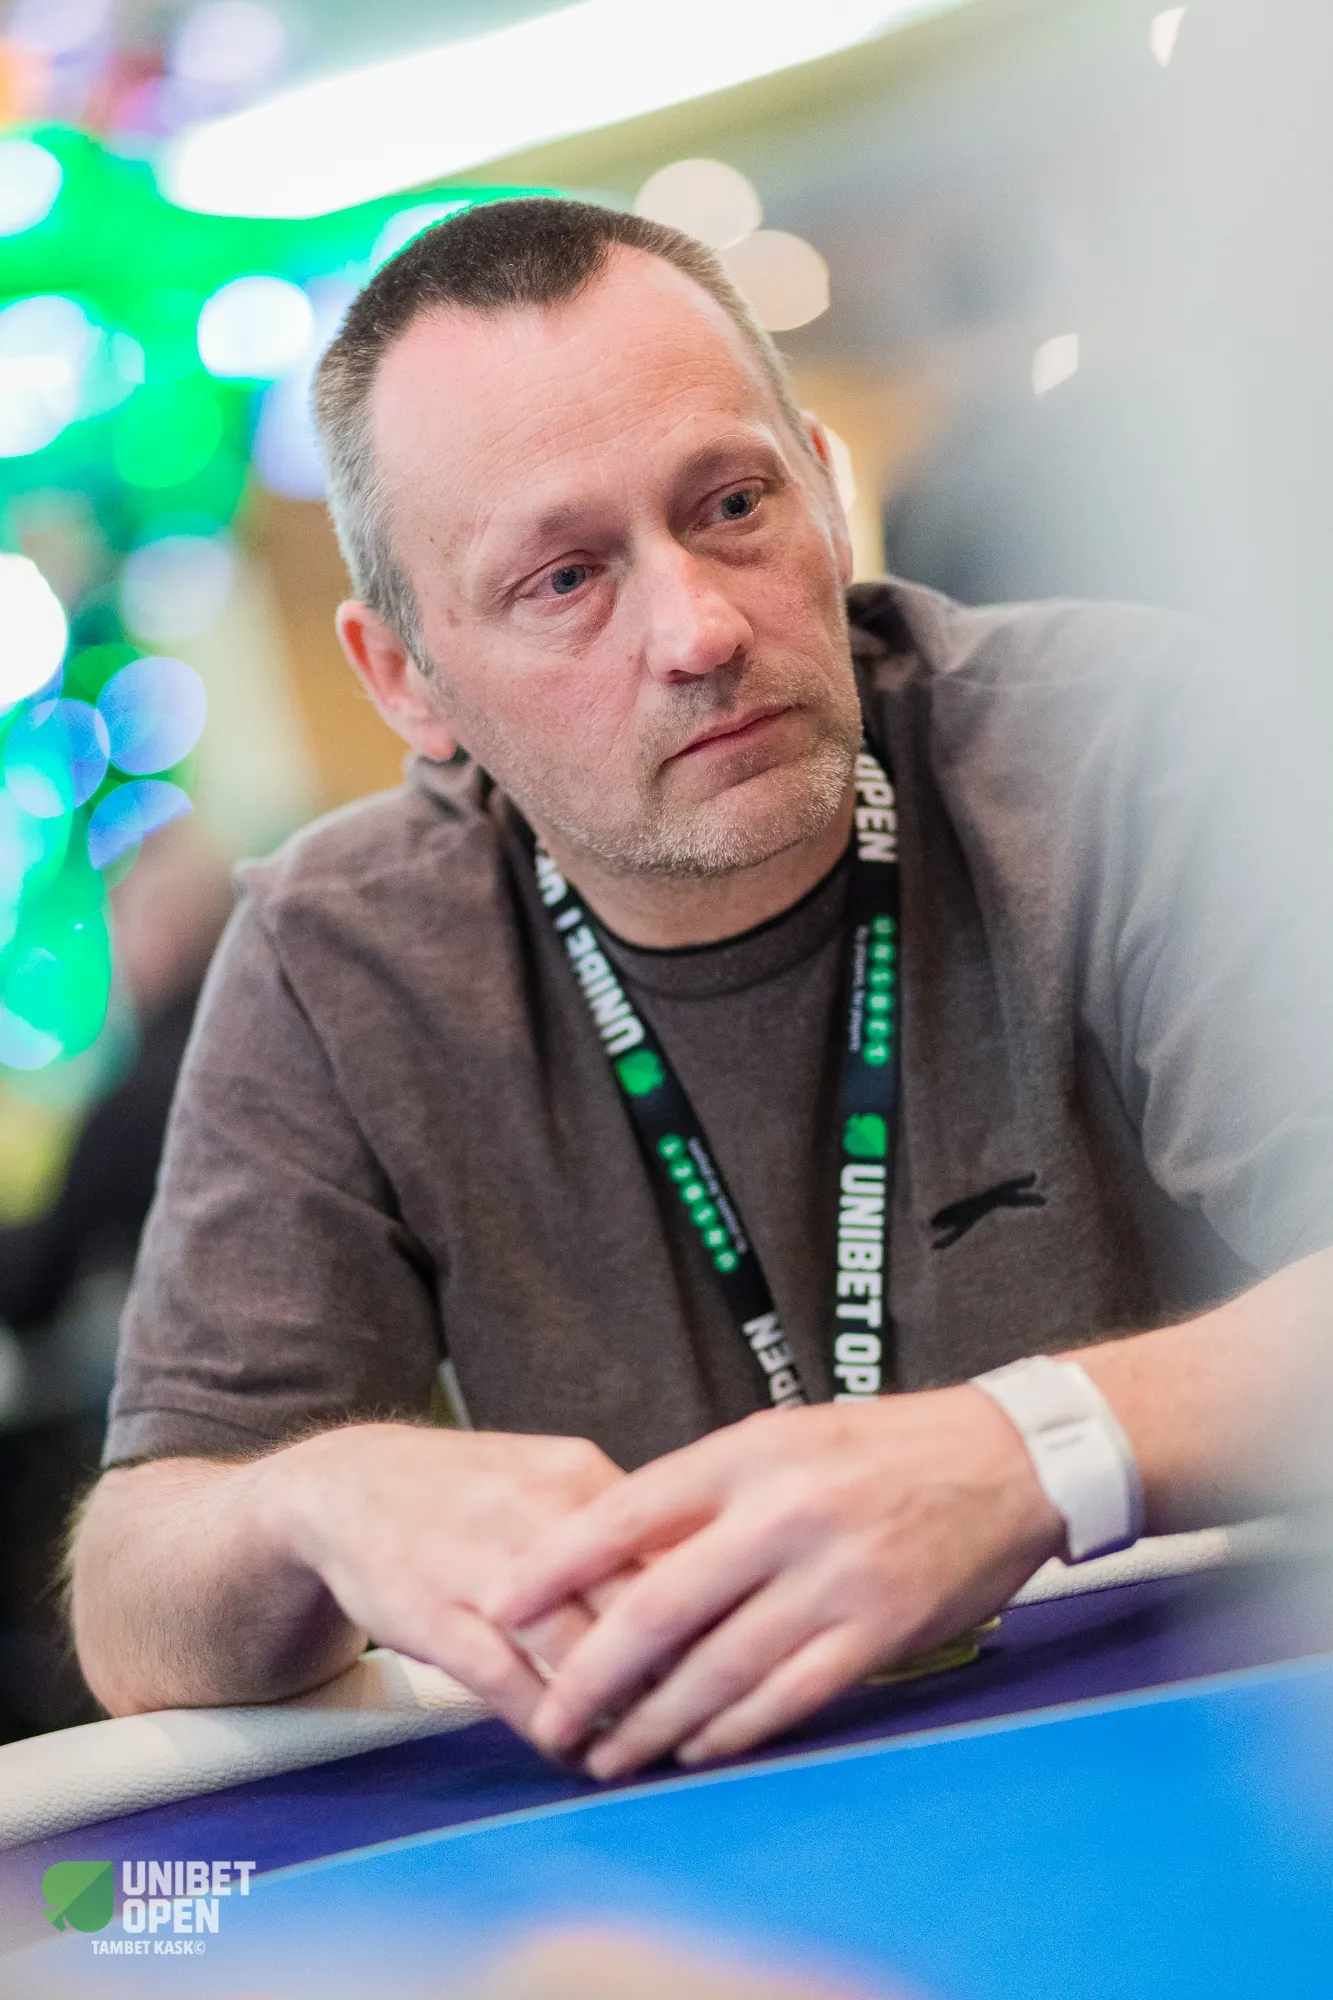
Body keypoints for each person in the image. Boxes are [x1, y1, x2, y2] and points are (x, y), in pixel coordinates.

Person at [70, 200, 1333, 1780]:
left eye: (733, 504)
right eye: (563, 579)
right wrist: (307, 1498)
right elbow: (134, 1608)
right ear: (404, 677)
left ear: (828, 490)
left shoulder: (1128, 747)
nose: (699, 628)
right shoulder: (341, 957)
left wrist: (1032, 1449)